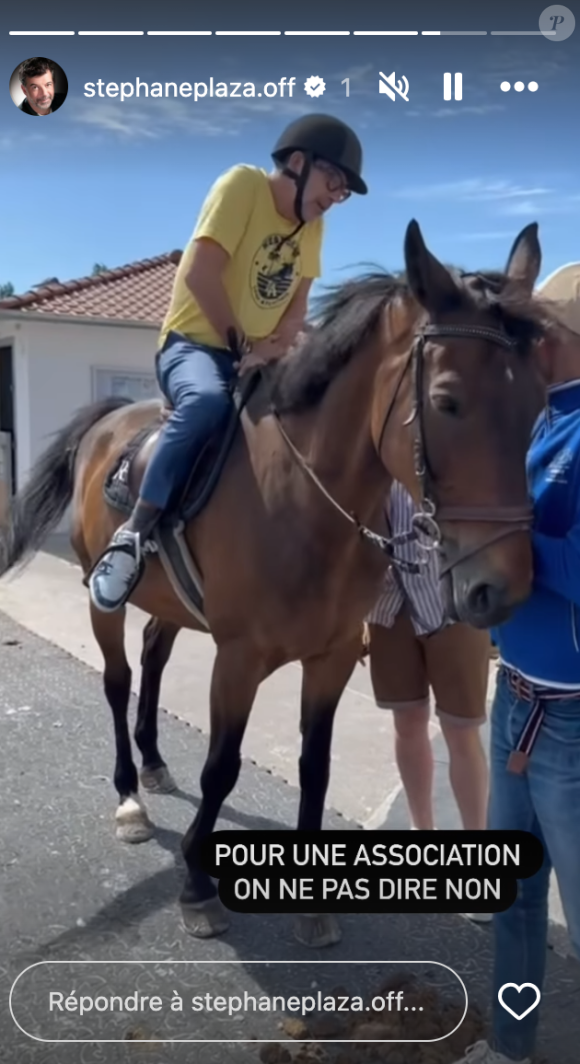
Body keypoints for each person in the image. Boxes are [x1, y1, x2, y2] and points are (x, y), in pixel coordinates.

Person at [89, 113, 367, 613]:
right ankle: (133, 536)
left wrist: (274, 348)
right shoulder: (242, 186)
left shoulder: (314, 228)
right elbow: (199, 274)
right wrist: (245, 347)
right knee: (207, 405)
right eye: (334, 181)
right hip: (193, 345)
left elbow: (298, 306)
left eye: (343, 192)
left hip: (257, 355)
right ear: (299, 163)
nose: (334, 197)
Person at [454, 264, 580, 1064]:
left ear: (562, 338)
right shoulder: (537, 423)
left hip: (571, 722)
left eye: (537, 330)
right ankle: (511, 1044)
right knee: (513, 898)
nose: (527, 341)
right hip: (516, 703)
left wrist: (514, 550)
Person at [366, 480, 491, 918]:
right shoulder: (374, 434)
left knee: (461, 729)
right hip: (387, 602)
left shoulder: (449, 426)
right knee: (407, 722)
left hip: (452, 595)